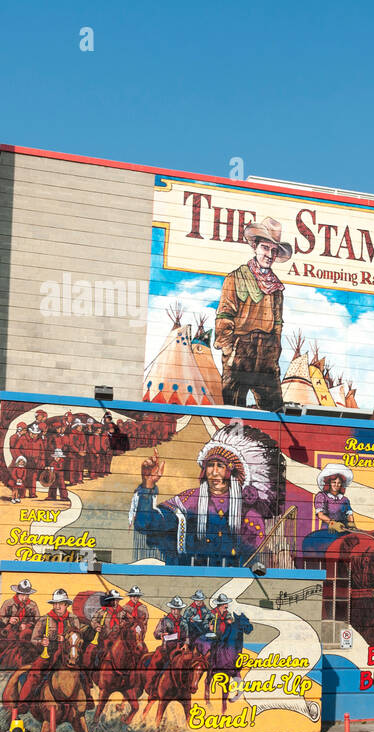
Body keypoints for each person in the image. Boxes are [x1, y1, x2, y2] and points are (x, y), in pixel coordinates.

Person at [129, 422, 283, 567]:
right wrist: (148, 485)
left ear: (231, 472)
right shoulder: (188, 501)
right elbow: (146, 525)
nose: (214, 472)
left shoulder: (247, 512)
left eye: (220, 466)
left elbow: (250, 556)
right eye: (210, 465)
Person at [213, 218, 292, 410]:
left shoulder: (276, 287)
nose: (270, 255)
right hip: (241, 350)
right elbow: (224, 315)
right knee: (233, 411)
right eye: (266, 248)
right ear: (255, 247)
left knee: (274, 411)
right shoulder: (236, 278)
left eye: (274, 251)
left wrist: (274, 352)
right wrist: (229, 349)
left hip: (266, 355)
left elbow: (278, 323)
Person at [300, 463, 357, 561]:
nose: (336, 485)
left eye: (339, 483)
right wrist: (332, 523)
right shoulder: (322, 496)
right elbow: (320, 514)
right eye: (334, 482)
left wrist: (351, 525)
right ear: (329, 483)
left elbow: (349, 514)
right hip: (327, 531)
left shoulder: (345, 500)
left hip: (343, 530)